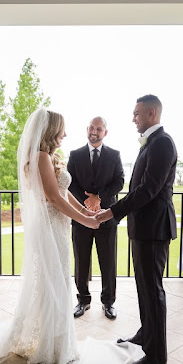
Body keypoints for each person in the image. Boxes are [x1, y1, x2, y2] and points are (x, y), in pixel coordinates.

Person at [0, 108, 99, 364]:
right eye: (61, 130)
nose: (65, 134)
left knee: (57, 281)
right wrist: (85, 221)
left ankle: (57, 342)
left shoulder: (50, 157)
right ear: (51, 131)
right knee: (53, 283)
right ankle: (52, 346)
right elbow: (54, 198)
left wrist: (84, 211)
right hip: (49, 227)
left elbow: (64, 193)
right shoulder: (41, 156)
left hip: (57, 225)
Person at [96, 95, 177, 364]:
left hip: (154, 229)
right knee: (143, 287)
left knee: (153, 292)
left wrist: (111, 211)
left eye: (137, 114)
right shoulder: (151, 143)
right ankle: (146, 334)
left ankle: (157, 358)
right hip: (143, 228)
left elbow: (148, 190)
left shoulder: (163, 143)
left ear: (152, 113)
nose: (133, 118)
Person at [67, 116, 124, 320]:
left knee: (108, 261)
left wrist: (99, 198)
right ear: (87, 129)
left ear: (105, 132)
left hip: (107, 216)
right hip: (80, 216)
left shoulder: (114, 155)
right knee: (81, 260)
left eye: (99, 129)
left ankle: (108, 302)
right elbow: (70, 184)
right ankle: (83, 300)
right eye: (91, 127)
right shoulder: (75, 155)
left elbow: (120, 181)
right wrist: (86, 203)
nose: (94, 131)